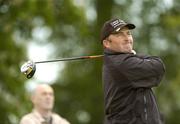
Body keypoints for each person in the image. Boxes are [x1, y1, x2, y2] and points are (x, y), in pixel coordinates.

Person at [100, 18, 165, 124]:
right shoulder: (122, 64)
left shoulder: (119, 61)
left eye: (128, 33)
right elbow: (158, 66)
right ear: (106, 43)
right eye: (119, 35)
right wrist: (135, 55)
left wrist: (134, 55)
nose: (127, 38)